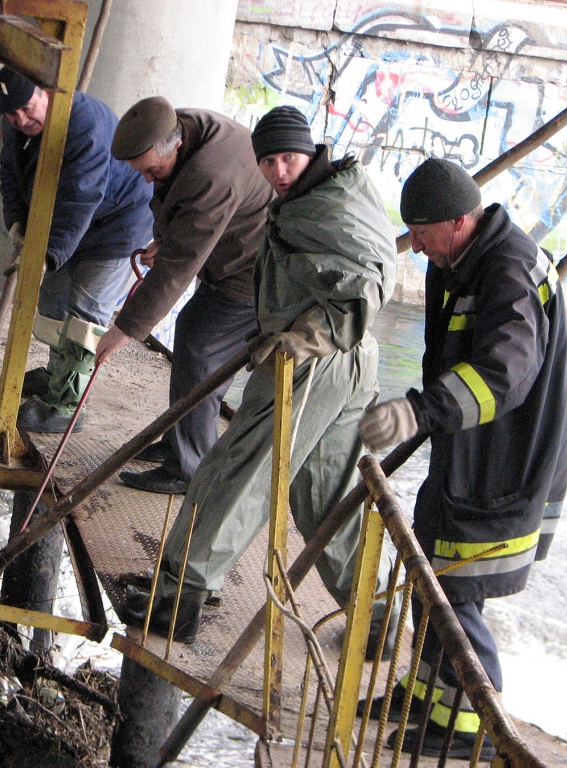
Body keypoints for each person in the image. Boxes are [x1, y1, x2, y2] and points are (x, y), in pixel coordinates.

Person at [118, 105, 399, 647]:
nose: (277, 172)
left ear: (310, 150)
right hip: (352, 365)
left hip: (314, 363)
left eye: (287, 159)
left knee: (236, 469)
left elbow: (363, 292)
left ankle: (181, 597)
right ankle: (377, 612)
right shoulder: (333, 190)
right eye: (267, 162)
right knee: (323, 495)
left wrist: (298, 341)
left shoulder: (326, 206)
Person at [358, 158, 567, 760]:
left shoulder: (505, 272)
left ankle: (467, 727)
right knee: (431, 566)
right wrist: (431, 415)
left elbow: (503, 374)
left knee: (458, 589)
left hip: (502, 462)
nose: (418, 248)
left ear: (458, 222)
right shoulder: (458, 259)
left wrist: (419, 413)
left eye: (423, 234)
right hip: (465, 449)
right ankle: (427, 696)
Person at [95, 96, 272, 494]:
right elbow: (179, 208)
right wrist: (166, 239)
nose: (146, 180)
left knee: (202, 349)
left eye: (151, 171)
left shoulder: (211, 174)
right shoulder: (180, 126)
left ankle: (188, 468)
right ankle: (182, 441)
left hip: (256, 267)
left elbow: (180, 266)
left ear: (174, 147)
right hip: (231, 244)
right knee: (195, 334)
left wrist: (125, 328)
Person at [0, 67, 153, 433]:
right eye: (12, 114)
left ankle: (67, 406)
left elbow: (81, 198)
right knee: (50, 303)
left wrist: (48, 254)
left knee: (85, 312)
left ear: (48, 91)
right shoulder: (15, 124)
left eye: (29, 108)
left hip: (117, 225)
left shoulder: (86, 124)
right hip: (70, 225)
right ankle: (55, 375)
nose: (22, 119)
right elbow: (10, 174)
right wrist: (18, 228)